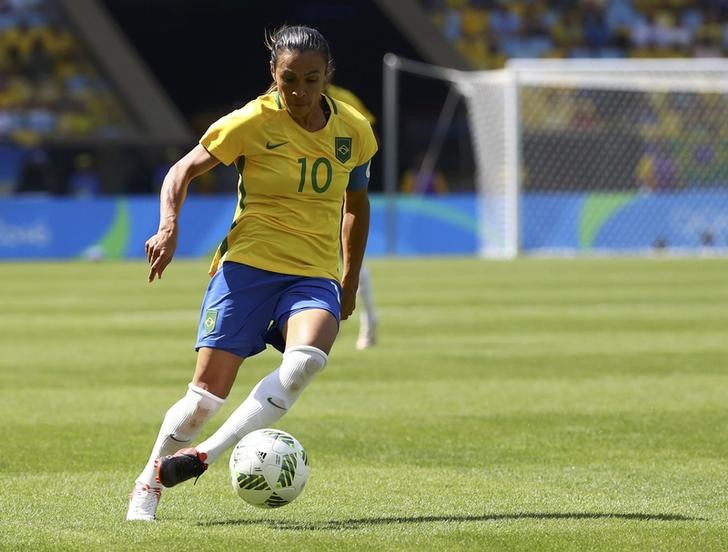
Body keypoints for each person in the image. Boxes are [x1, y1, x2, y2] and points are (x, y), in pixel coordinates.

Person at [126, 25, 378, 521]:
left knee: (305, 362)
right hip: (247, 269)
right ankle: (148, 481)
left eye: (311, 79)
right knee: (202, 400)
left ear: (328, 75)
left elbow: (356, 205)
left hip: (312, 275)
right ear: (273, 74)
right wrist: (169, 225)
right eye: (289, 80)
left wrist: (348, 283)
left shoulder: (355, 131)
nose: (300, 92)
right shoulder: (250, 122)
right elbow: (182, 171)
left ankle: (204, 457)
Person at [324, 83, 379, 349]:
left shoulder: (345, 100)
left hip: (339, 194)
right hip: (303, 200)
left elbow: (366, 137)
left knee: (350, 258)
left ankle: (369, 323)